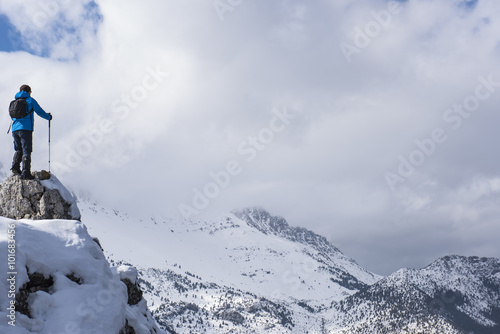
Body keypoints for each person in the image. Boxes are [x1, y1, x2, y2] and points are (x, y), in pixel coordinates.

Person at [10, 84, 52, 180]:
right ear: (28, 92)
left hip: (15, 129)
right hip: (26, 129)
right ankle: (26, 173)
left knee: (18, 149)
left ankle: (15, 168)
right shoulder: (30, 100)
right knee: (26, 149)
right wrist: (48, 117)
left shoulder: (14, 102)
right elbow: (39, 111)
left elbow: (12, 116)